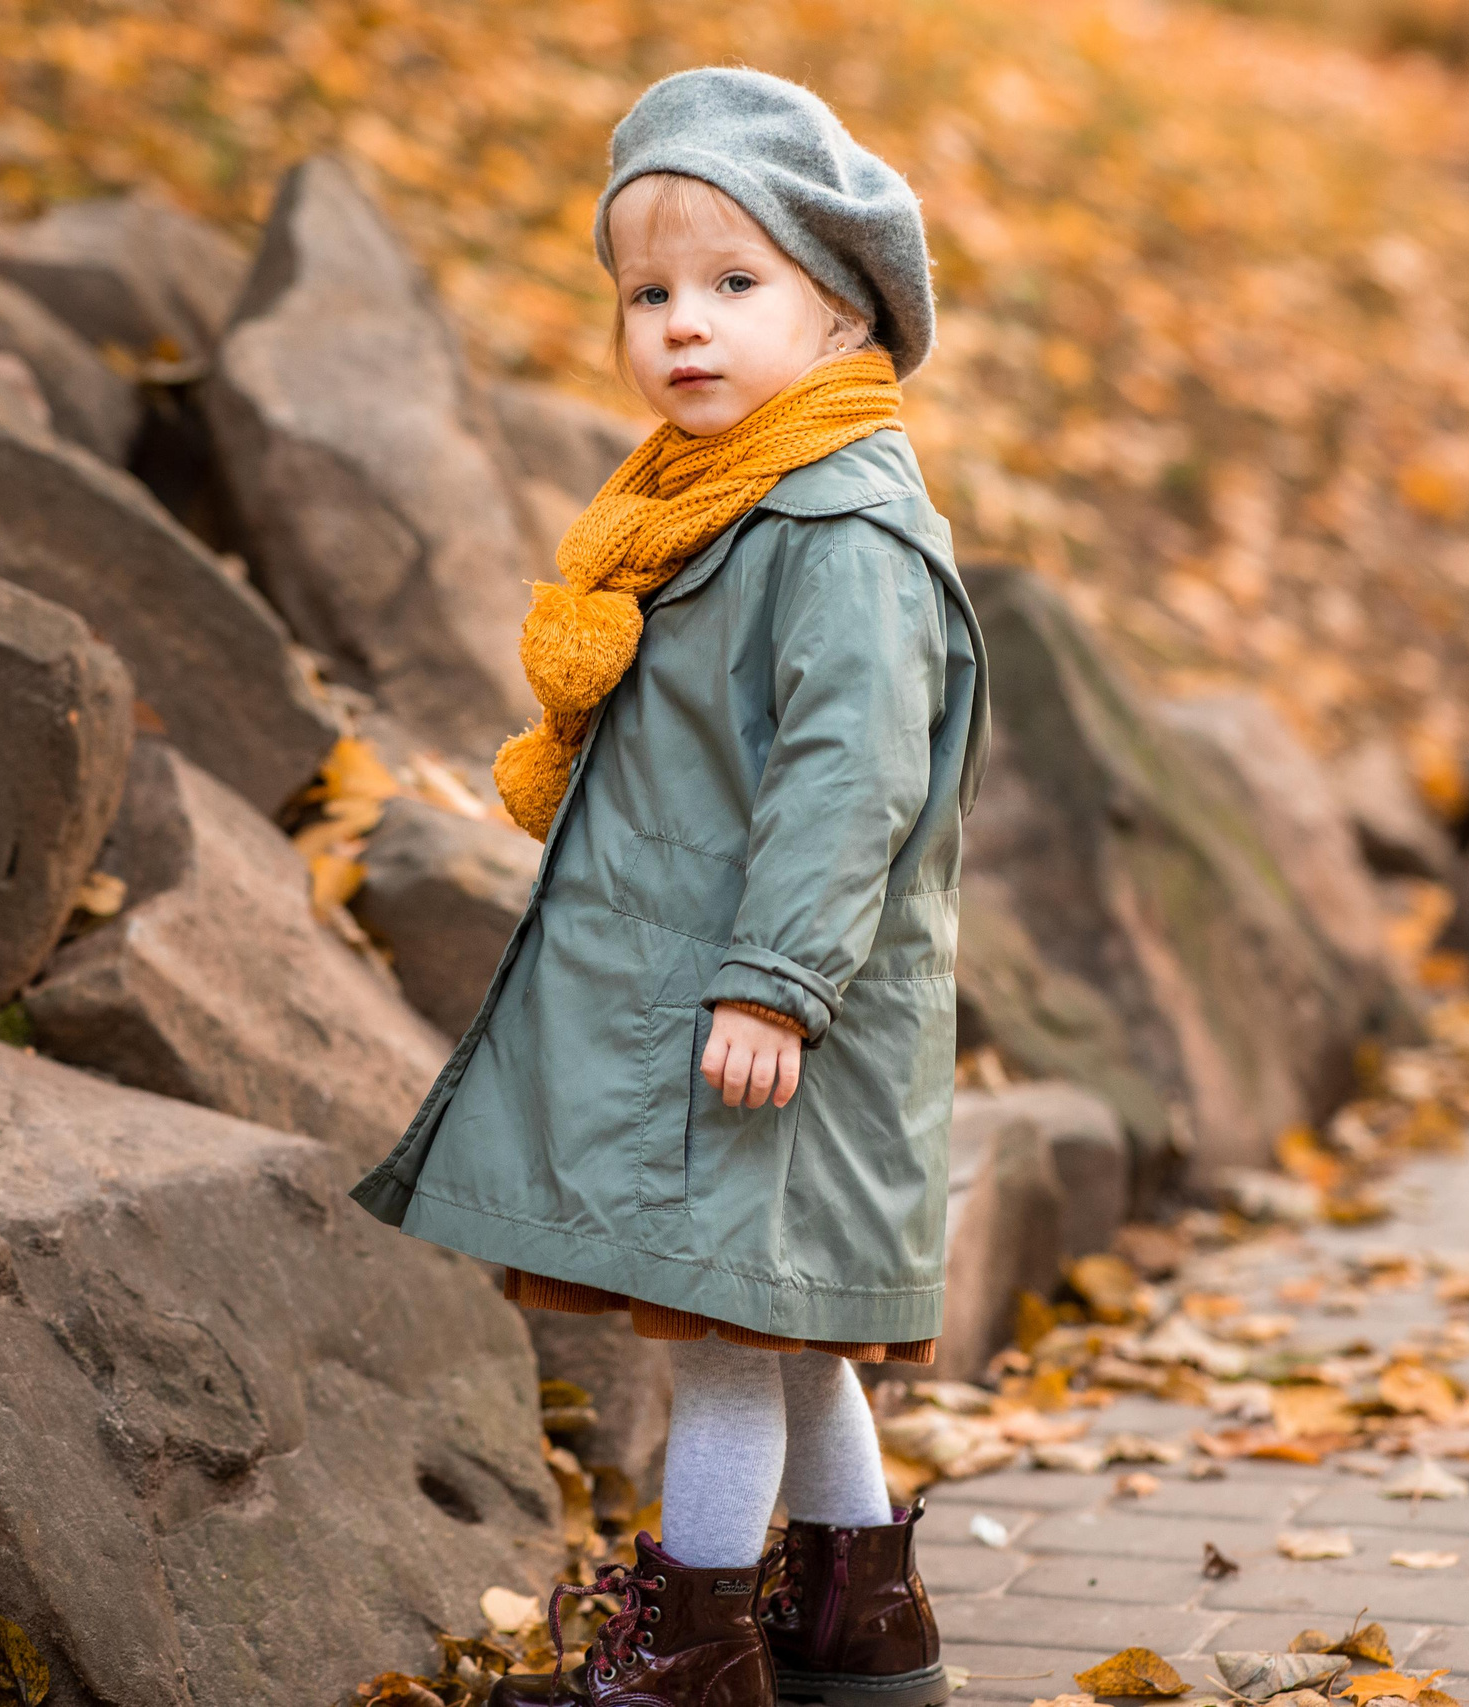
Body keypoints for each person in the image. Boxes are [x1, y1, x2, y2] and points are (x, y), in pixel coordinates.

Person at [350, 65, 988, 1707]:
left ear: (843, 319)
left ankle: (683, 1660)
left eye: (732, 283)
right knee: (775, 1328)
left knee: (720, 1342)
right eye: (648, 293)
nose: (681, 326)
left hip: (778, 1004)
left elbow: (853, 779)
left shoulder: (838, 528)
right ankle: (861, 1622)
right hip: (732, 1000)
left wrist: (776, 979)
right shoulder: (713, 508)